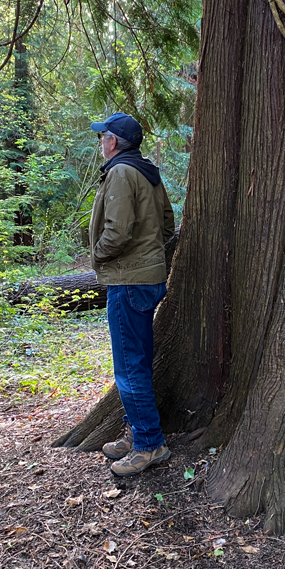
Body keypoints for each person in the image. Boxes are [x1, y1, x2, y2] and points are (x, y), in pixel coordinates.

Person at [88, 112, 176, 475]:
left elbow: (118, 231)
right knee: (136, 360)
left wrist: (97, 255)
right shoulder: (146, 171)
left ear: (113, 141)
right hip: (147, 277)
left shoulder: (122, 172)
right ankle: (136, 432)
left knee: (129, 366)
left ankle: (149, 444)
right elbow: (168, 225)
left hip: (128, 280)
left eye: (102, 136)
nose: (100, 142)